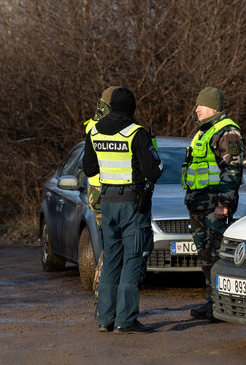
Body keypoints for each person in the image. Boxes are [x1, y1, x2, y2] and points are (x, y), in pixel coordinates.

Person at [83, 87, 163, 334]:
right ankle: (125, 321)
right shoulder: (136, 133)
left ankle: (105, 319)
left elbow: (88, 168)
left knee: (110, 262)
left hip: (107, 203)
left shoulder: (94, 131)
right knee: (132, 260)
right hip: (132, 205)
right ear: (131, 107)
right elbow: (153, 171)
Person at [182, 87, 244, 321]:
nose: (196, 109)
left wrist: (223, 204)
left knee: (218, 257)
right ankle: (212, 302)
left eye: (201, 105)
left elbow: (232, 170)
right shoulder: (203, 132)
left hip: (214, 206)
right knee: (206, 256)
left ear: (214, 108)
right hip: (198, 204)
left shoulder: (228, 132)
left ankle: (222, 305)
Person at [84, 86, 118, 227]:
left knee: (107, 236)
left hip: (98, 189)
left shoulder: (92, 124)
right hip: (109, 188)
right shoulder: (116, 125)